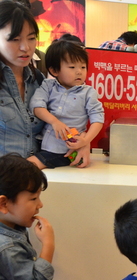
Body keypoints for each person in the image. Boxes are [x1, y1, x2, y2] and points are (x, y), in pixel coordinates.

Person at [0, 0, 90, 167]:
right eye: (14, 39)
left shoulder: (39, 81)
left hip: (37, 177)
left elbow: (64, 119)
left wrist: (83, 141)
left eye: (31, 38)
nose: (25, 47)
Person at [0, 153, 55, 280]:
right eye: (33, 198)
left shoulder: (12, 229)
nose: (40, 205)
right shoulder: (7, 247)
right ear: (4, 204)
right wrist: (48, 245)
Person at [27, 40, 104, 170]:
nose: (79, 72)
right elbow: (36, 106)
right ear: (54, 70)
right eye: (72, 67)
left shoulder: (88, 93)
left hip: (63, 149)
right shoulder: (48, 85)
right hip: (41, 144)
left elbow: (98, 118)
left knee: (25, 167)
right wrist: (55, 122)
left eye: (83, 67)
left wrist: (86, 141)